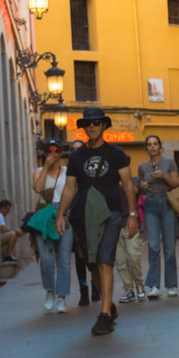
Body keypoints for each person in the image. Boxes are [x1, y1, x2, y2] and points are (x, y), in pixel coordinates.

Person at [56, 106, 139, 336]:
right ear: (83, 127)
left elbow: (128, 186)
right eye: (87, 123)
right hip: (83, 215)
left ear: (104, 125)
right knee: (93, 264)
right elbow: (70, 188)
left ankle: (104, 315)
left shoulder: (116, 153)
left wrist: (132, 216)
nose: (91, 126)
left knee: (105, 261)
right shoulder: (76, 156)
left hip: (111, 213)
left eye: (96, 122)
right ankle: (108, 303)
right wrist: (61, 214)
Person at [31, 141, 73, 313]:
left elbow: (73, 191)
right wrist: (46, 166)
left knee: (64, 260)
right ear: (45, 153)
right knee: (47, 260)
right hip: (45, 216)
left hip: (64, 214)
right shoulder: (38, 171)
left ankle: (62, 297)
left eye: (57, 150)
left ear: (61, 152)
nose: (53, 153)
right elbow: (38, 188)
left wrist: (64, 212)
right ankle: (50, 291)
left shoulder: (68, 172)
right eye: (50, 150)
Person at [137, 135, 179, 298]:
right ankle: (154, 285)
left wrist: (164, 177)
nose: (152, 147)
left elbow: (175, 183)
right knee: (153, 246)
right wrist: (143, 186)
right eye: (149, 145)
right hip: (151, 205)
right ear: (146, 148)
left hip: (167, 202)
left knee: (169, 247)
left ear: (160, 147)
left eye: (155, 144)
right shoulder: (142, 166)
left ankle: (171, 285)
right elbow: (141, 189)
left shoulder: (169, 162)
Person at [67, 139, 92, 306]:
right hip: (75, 216)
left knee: (94, 252)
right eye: (73, 149)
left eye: (79, 149)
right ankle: (84, 290)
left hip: (91, 214)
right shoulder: (67, 172)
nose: (76, 152)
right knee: (79, 255)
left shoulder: (91, 170)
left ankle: (97, 287)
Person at [115, 174, 146, 304]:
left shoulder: (131, 179)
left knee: (133, 255)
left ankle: (139, 284)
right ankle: (129, 289)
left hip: (130, 223)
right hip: (114, 225)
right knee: (120, 260)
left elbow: (134, 190)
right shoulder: (108, 180)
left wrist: (122, 182)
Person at [0, 199, 23, 263]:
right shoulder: (0, 215)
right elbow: (3, 230)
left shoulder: (1, 216)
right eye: (7, 209)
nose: (8, 212)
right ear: (2, 208)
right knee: (13, 234)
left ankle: (9, 254)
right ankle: (8, 255)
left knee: (13, 235)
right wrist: (16, 232)